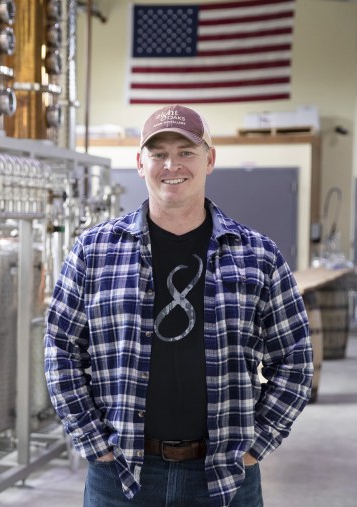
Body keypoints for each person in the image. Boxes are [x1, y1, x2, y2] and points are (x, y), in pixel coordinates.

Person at [44, 104, 313, 507]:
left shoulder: (258, 255)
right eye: (158, 153)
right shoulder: (94, 251)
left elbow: (295, 358)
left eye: (186, 151)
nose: (172, 164)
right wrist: (92, 440)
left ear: (210, 159)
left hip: (225, 476)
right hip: (121, 474)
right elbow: (60, 350)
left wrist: (256, 444)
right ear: (140, 163)